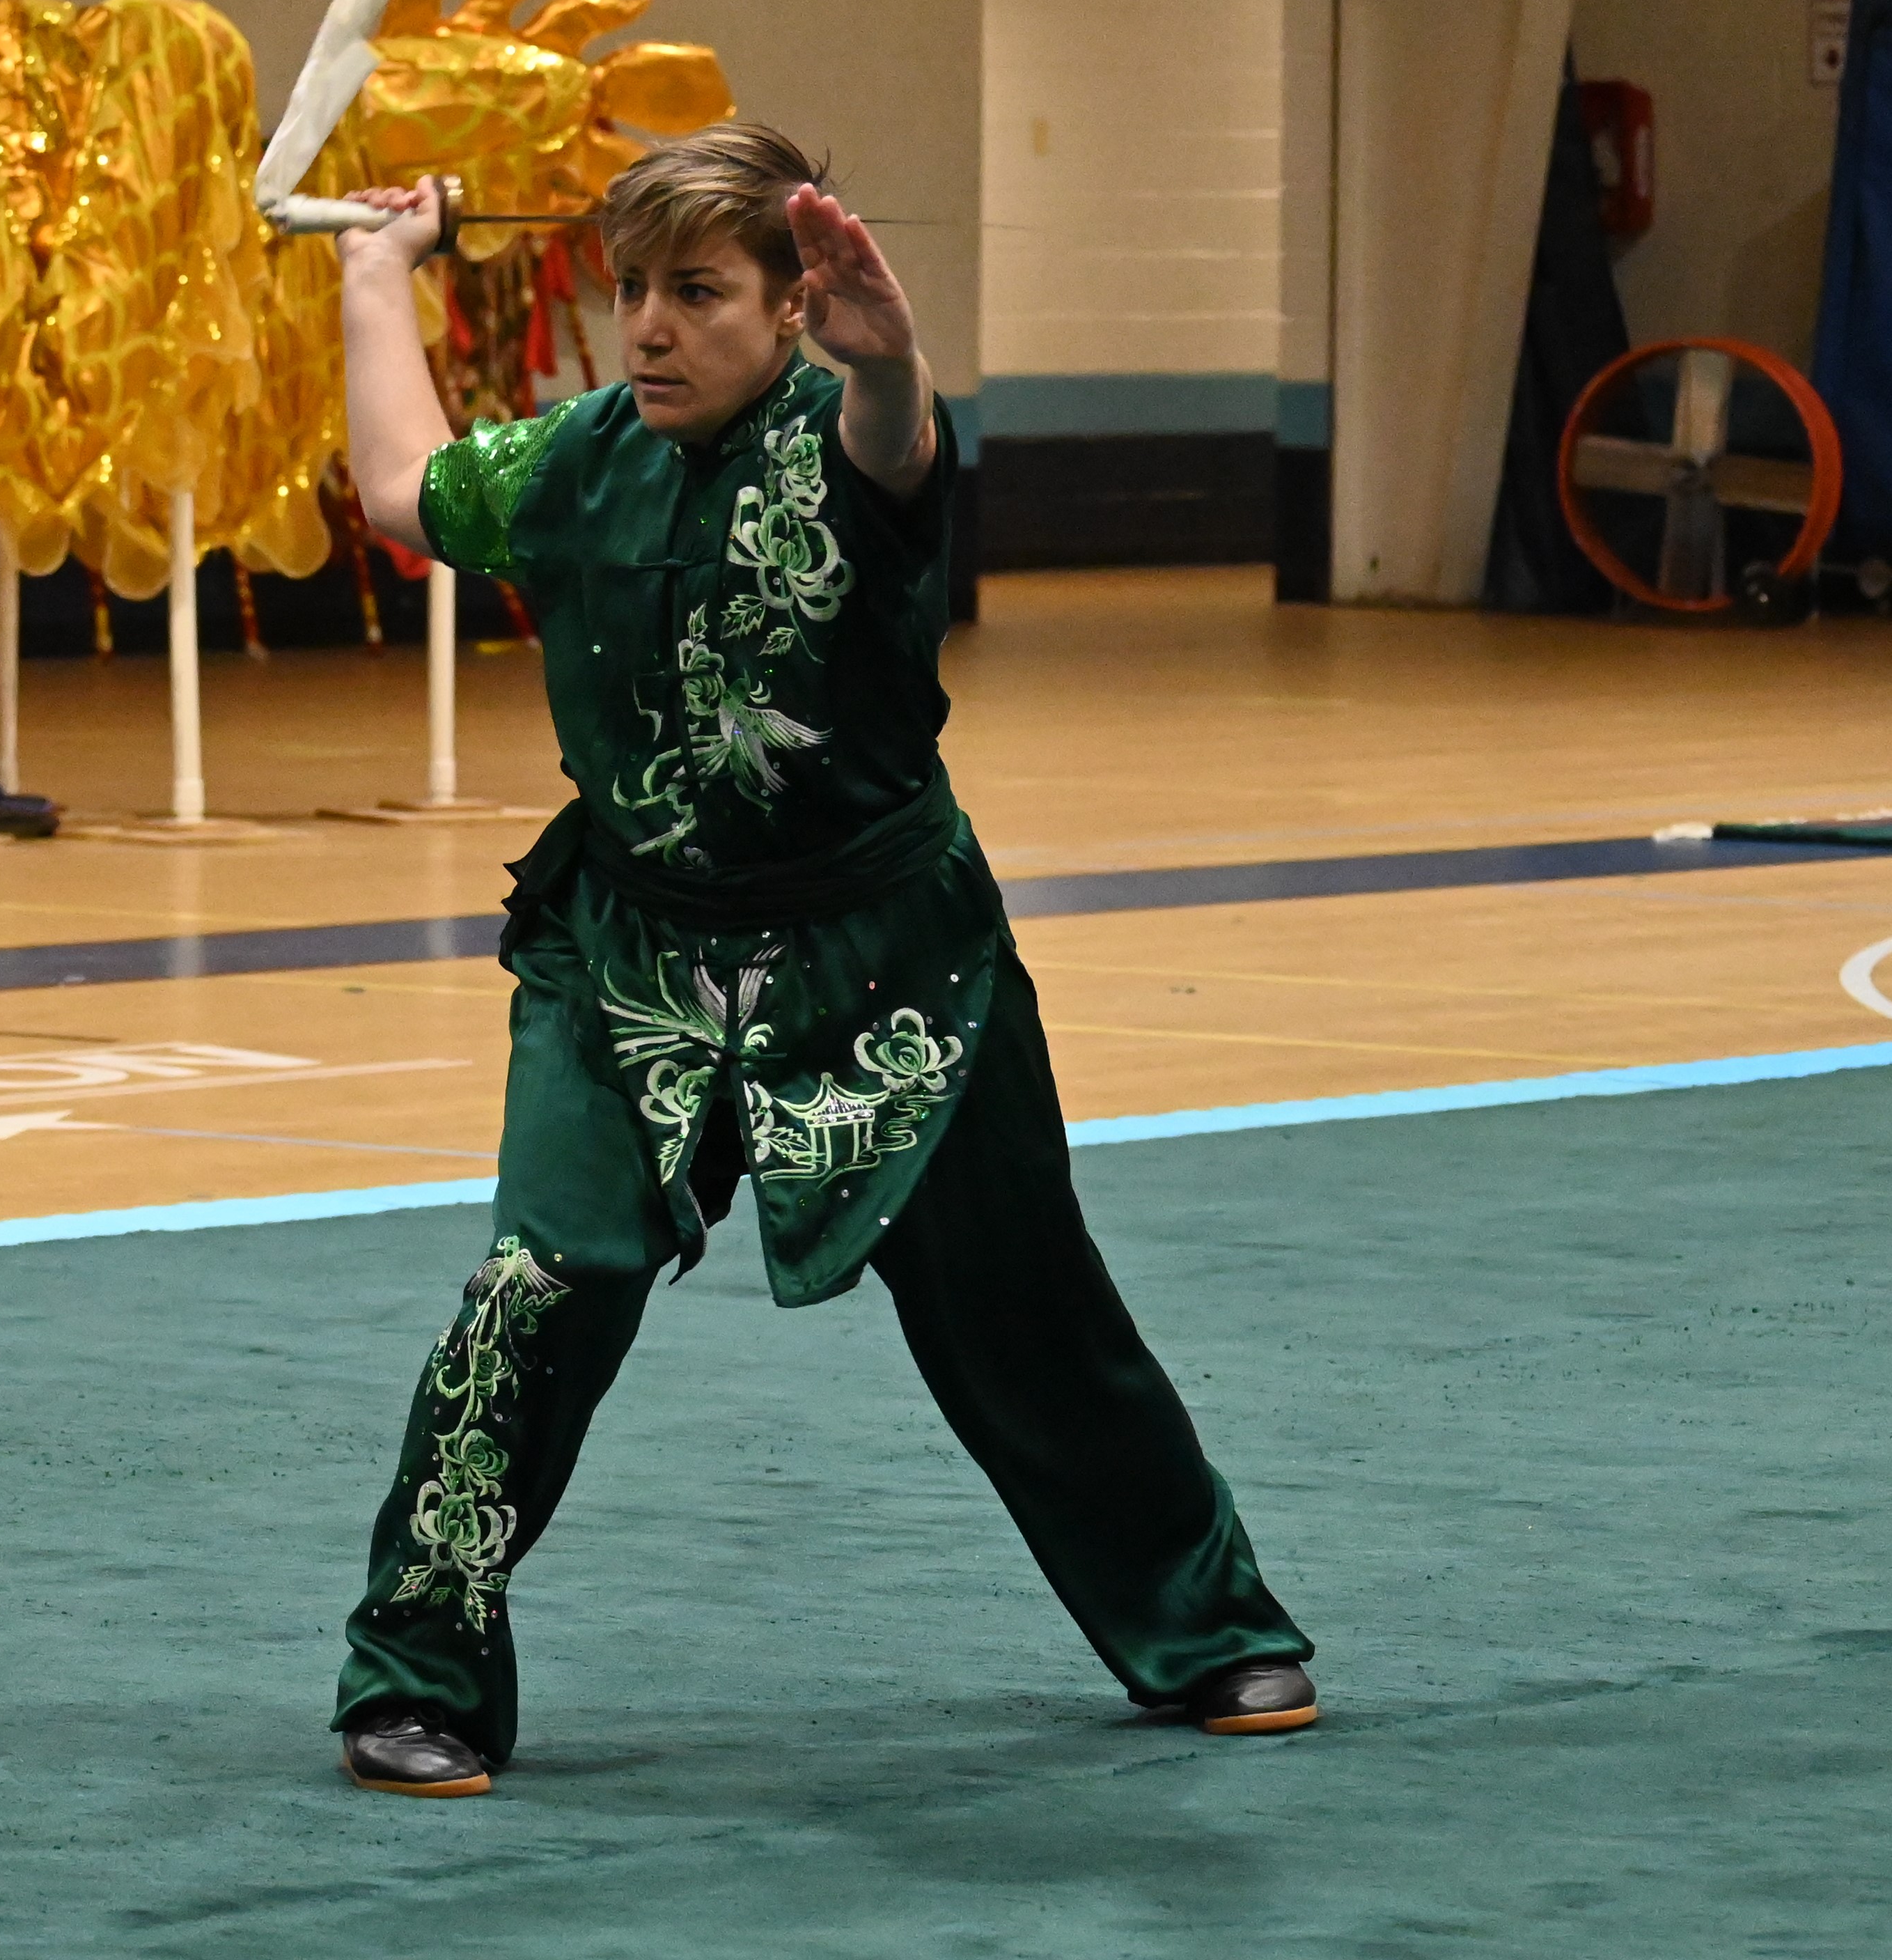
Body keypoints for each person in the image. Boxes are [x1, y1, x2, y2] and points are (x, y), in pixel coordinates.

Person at [327, 122, 1316, 1798]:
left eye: (698, 292)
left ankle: (1204, 1625)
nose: (650, 327)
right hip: (630, 961)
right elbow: (398, 490)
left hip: (890, 965)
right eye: (632, 290)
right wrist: (373, 273)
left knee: (1019, 1300)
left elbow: (892, 443)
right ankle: (413, 1673)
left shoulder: (848, 438)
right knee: (535, 1287)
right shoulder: (578, 457)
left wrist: (891, 361)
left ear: (790, 305)